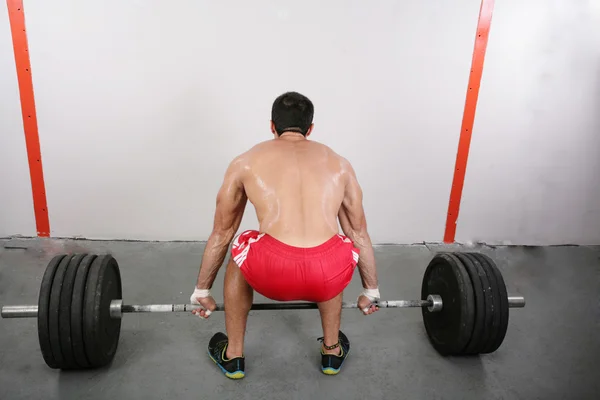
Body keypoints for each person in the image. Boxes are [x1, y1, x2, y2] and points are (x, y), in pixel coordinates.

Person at [189, 91, 380, 379]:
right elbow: (358, 231)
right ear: (310, 129)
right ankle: (331, 350)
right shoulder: (340, 164)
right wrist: (371, 291)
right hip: (326, 276)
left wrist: (202, 291)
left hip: (270, 273)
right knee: (335, 244)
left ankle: (234, 355)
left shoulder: (245, 161)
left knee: (241, 248)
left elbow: (223, 232)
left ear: (272, 126)